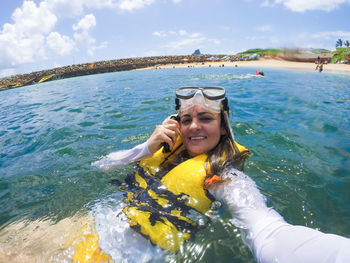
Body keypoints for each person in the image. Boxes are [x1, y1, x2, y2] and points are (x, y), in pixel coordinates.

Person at [93, 87, 350, 261]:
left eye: (205, 118)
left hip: (118, 254)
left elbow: (267, 231)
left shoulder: (224, 176)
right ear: (176, 124)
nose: (194, 126)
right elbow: (100, 166)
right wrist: (144, 148)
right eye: (186, 120)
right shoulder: (159, 151)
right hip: (95, 222)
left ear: (223, 127)